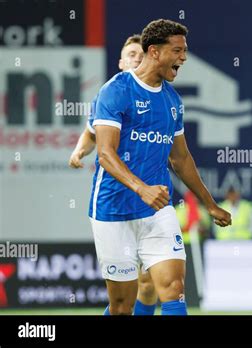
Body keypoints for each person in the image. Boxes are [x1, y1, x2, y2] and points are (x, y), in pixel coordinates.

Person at [89, 19, 231, 316]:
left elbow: (180, 159)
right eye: (177, 50)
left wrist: (210, 204)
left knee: (174, 290)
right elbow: (104, 153)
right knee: (121, 306)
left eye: (185, 51)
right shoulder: (116, 91)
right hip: (113, 210)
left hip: (157, 209)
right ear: (154, 51)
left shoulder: (173, 101)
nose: (184, 58)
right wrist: (141, 189)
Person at [69, 34, 158, 315]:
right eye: (131, 54)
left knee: (151, 281)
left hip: (149, 198)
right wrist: (79, 151)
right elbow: (91, 132)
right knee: (125, 292)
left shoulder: (159, 94)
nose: (137, 58)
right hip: (117, 201)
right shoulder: (109, 95)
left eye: (141, 54)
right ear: (121, 62)